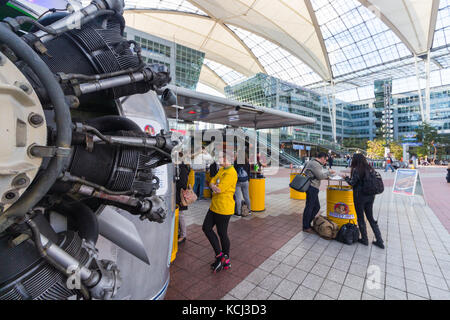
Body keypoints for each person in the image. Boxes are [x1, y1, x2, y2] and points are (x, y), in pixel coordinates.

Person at [202, 149, 238, 273]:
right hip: (214, 206)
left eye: (222, 158)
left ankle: (225, 259)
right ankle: (220, 256)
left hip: (224, 208)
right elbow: (212, 181)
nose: (219, 160)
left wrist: (214, 186)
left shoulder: (232, 173)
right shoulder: (222, 170)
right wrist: (213, 185)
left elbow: (219, 189)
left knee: (222, 234)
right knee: (206, 228)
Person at [341, 153, 384, 249]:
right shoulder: (370, 168)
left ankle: (365, 239)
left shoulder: (357, 170)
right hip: (370, 196)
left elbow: (352, 183)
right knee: (371, 218)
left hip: (359, 197)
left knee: (360, 218)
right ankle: (380, 241)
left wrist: (345, 178)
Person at [302, 152, 335, 233]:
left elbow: (316, 175)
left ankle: (307, 224)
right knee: (310, 207)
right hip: (312, 187)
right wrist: (329, 172)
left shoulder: (313, 162)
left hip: (312, 187)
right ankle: (306, 226)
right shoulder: (315, 164)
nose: (325, 162)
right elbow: (320, 176)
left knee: (315, 207)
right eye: (325, 160)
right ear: (322, 158)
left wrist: (326, 175)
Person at [175, 154, 190, 244]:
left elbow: (183, 184)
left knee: (180, 215)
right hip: (176, 195)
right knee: (178, 215)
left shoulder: (182, 168)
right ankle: (179, 232)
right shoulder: (178, 167)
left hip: (179, 196)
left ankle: (183, 235)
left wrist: (175, 183)